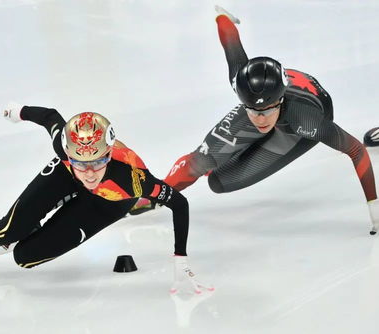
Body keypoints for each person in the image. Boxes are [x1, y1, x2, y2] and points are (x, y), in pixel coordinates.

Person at [0, 104, 212, 293]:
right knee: (8, 228)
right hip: (63, 177)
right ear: (68, 153)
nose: (90, 171)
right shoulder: (65, 148)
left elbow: (178, 203)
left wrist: (179, 257)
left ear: (109, 153)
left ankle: (25, 235)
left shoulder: (132, 179)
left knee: (24, 259)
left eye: (98, 160)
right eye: (81, 161)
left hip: (110, 200)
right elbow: (51, 118)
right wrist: (19, 112)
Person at [131, 6, 379, 234]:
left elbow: (356, 149)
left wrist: (373, 205)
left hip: (299, 124)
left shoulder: (306, 121)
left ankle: (256, 133)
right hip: (275, 101)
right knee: (204, 162)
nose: (260, 119)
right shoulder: (241, 80)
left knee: (220, 181)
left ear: (279, 102)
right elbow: (231, 43)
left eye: (267, 111)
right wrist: (222, 17)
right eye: (251, 109)